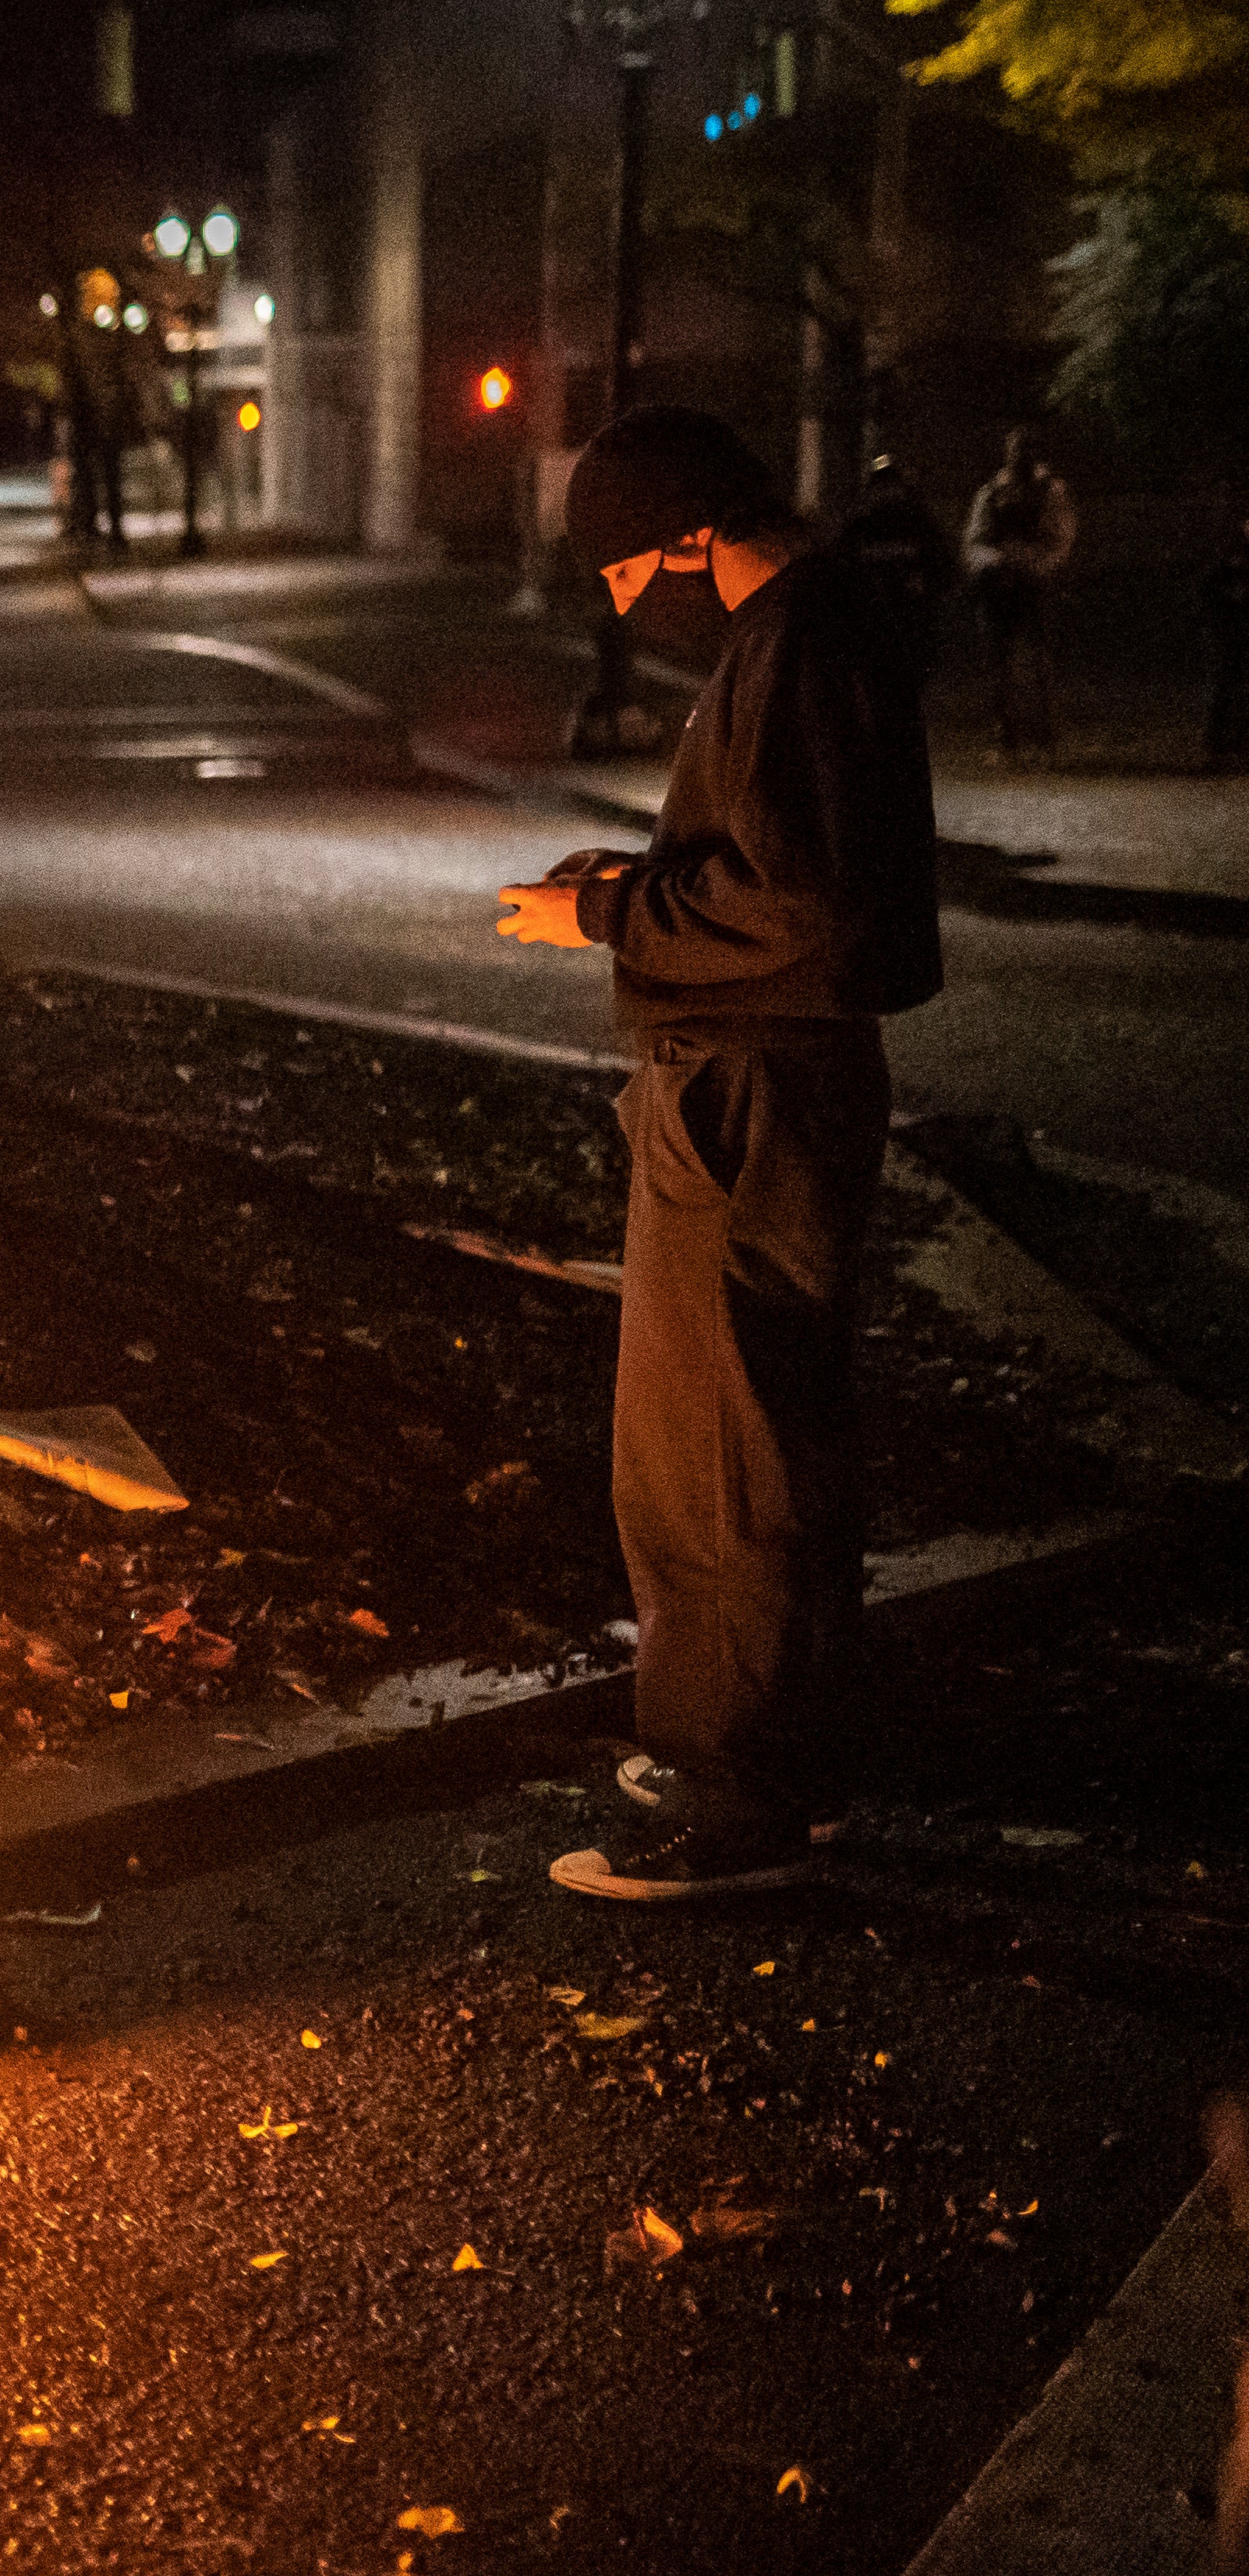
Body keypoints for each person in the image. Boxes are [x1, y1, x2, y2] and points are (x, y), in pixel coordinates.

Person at [496, 406, 939, 1899]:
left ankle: (727, 1790)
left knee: (711, 1457)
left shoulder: (793, 641)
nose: (628, 610)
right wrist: (633, 884)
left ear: (692, 536)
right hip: (775, 1084)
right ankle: (784, 1753)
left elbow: (795, 904)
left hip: (748, 1086)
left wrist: (609, 916)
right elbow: (786, 865)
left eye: (626, 576)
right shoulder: (818, 632)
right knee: (767, 1434)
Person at [961, 426, 1077, 761]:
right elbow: (974, 540)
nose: (1017, 456)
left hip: (1034, 586)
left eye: (1023, 450)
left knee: (1039, 665)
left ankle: (1045, 742)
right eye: (1014, 449)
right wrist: (996, 561)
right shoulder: (993, 492)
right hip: (1000, 586)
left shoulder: (1049, 492)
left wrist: (1033, 565)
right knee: (999, 666)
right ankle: (1007, 740)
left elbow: (1061, 538)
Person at [828, 454, 952, 684]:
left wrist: (924, 587)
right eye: (880, 484)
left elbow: (942, 565)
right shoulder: (859, 525)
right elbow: (836, 570)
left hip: (910, 631)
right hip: (870, 632)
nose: (886, 491)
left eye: (890, 483)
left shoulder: (917, 522)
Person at [1201, 507, 1249, 769]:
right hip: (1232, 627)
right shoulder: (1229, 549)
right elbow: (1212, 586)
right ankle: (1221, 745)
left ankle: (1234, 744)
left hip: (1236, 625)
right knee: (1228, 684)